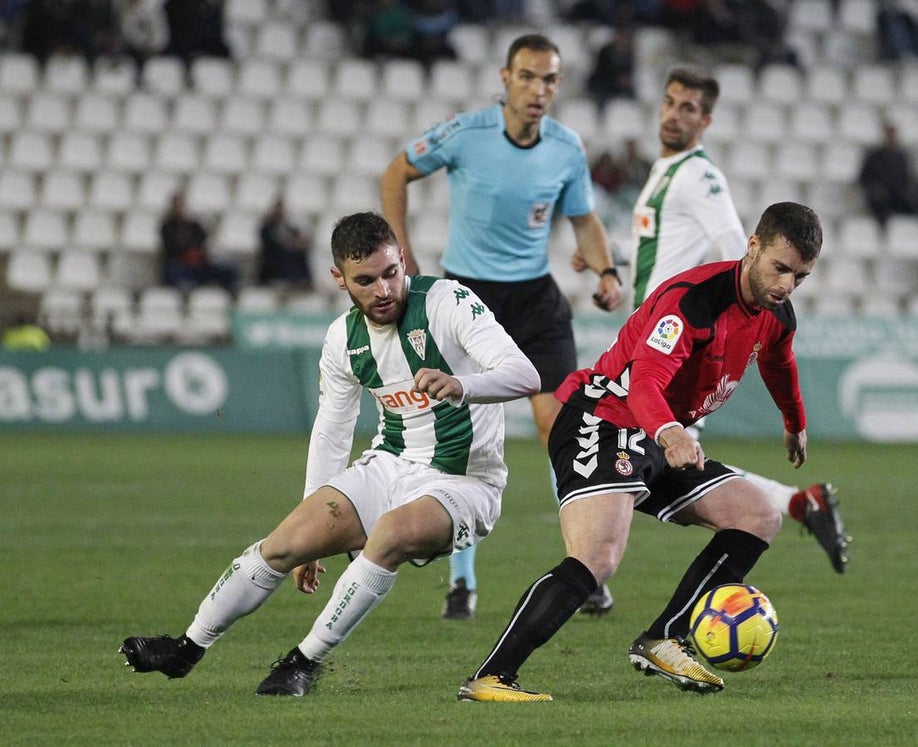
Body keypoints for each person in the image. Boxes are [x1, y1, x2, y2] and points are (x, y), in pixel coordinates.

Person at [119, 212, 540, 697]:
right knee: (283, 545)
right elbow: (332, 431)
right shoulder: (343, 339)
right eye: (366, 280)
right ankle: (186, 649)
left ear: (402, 259)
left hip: (465, 480)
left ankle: (302, 662)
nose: (383, 290)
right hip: (389, 465)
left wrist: (462, 384)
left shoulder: (448, 302)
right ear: (339, 278)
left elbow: (524, 375)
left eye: (390, 273)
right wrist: (312, 511)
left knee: (393, 534)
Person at [457, 201, 831, 702]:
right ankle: (491, 677)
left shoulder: (774, 311)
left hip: (655, 436)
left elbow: (780, 361)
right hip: (603, 420)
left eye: (800, 277)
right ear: (753, 247)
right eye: (780, 269)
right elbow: (646, 384)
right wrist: (672, 433)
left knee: (758, 516)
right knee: (597, 557)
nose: (786, 286)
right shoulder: (692, 301)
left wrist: (795, 423)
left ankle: (665, 639)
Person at [380, 33, 624, 620]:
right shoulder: (467, 133)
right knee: (467, 442)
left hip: (535, 300)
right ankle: (462, 583)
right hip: (469, 299)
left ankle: (584, 571)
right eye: (528, 77)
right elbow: (395, 174)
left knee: (560, 429)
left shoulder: (566, 148)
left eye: (549, 79)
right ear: (505, 78)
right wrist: (402, 252)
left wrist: (607, 269)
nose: (538, 89)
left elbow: (584, 220)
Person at [591, 67, 848, 575]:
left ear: (705, 120)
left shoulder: (698, 177)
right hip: (652, 332)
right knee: (652, 457)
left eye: (688, 108)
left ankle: (592, 573)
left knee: (621, 447)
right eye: (669, 102)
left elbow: (738, 248)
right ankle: (798, 503)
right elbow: (660, 244)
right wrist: (611, 258)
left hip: (681, 340)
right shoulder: (666, 171)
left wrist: (743, 314)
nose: (673, 114)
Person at [159, 189, 238, 293]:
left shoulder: (194, 225)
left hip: (198, 264)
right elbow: (172, 248)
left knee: (228, 269)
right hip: (181, 265)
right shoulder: (167, 226)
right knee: (171, 271)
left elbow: (202, 241)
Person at [858, 122, 918, 226]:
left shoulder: (901, 157)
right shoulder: (874, 156)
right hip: (880, 195)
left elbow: (906, 179)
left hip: (897, 194)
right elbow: (864, 178)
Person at [257, 195, 314, 289]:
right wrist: (289, 244)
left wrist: (300, 241)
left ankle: (304, 281)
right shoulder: (267, 228)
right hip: (273, 265)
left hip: (288, 264)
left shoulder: (287, 226)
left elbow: (298, 237)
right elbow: (273, 244)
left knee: (301, 253)